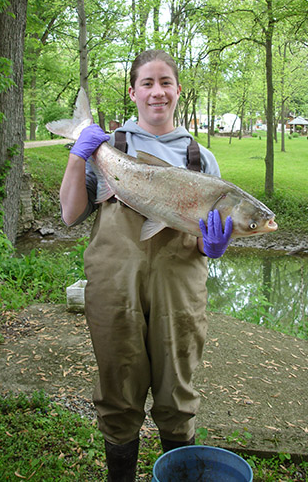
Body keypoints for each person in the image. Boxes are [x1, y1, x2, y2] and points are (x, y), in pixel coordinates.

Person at [60, 49, 232, 482]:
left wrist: (215, 247)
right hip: (114, 287)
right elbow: (69, 214)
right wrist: (78, 154)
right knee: (118, 390)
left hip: (180, 292)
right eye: (148, 83)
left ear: (177, 91)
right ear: (134, 91)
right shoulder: (110, 147)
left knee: (178, 393)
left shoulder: (201, 158)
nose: (158, 92)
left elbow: (208, 241)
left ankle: (177, 471)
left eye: (166, 83)